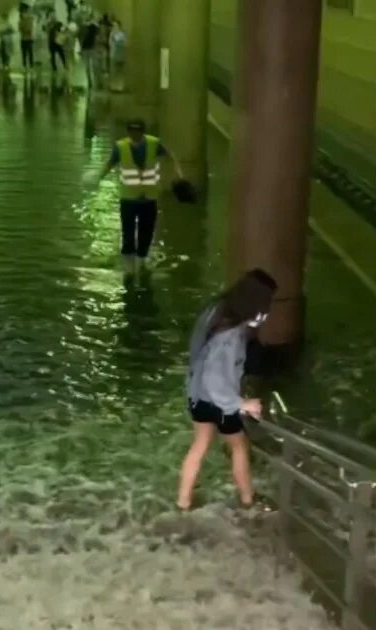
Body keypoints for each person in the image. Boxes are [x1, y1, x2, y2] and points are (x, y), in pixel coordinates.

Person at [176, 269, 277, 511]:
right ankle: (248, 499)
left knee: (199, 445)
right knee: (239, 446)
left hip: (197, 394)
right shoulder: (230, 337)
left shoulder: (216, 311)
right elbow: (216, 379)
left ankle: (183, 502)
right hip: (218, 403)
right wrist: (240, 404)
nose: (267, 310)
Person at [92, 119, 185, 274]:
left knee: (146, 231)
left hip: (149, 197)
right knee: (128, 232)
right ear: (128, 132)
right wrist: (99, 177)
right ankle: (129, 267)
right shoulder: (120, 147)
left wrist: (179, 175)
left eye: (138, 132)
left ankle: (141, 261)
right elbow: (110, 164)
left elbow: (170, 156)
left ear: (143, 131)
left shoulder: (154, 144)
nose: (135, 135)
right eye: (132, 132)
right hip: (128, 198)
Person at [108, 19, 126, 92]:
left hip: (120, 55)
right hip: (113, 54)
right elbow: (110, 43)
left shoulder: (121, 34)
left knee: (119, 71)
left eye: (115, 25)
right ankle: (114, 86)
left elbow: (121, 42)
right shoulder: (112, 34)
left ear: (119, 26)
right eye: (113, 26)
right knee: (113, 71)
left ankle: (120, 86)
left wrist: (113, 37)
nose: (114, 27)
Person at [18, 6, 35, 72]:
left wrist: (26, 29)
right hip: (23, 39)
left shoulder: (30, 20)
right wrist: (26, 29)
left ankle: (31, 65)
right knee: (24, 53)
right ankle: (24, 65)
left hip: (29, 38)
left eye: (26, 13)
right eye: (24, 13)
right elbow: (20, 29)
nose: (25, 14)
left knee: (30, 52)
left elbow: (30, 28)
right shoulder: (21, 21)